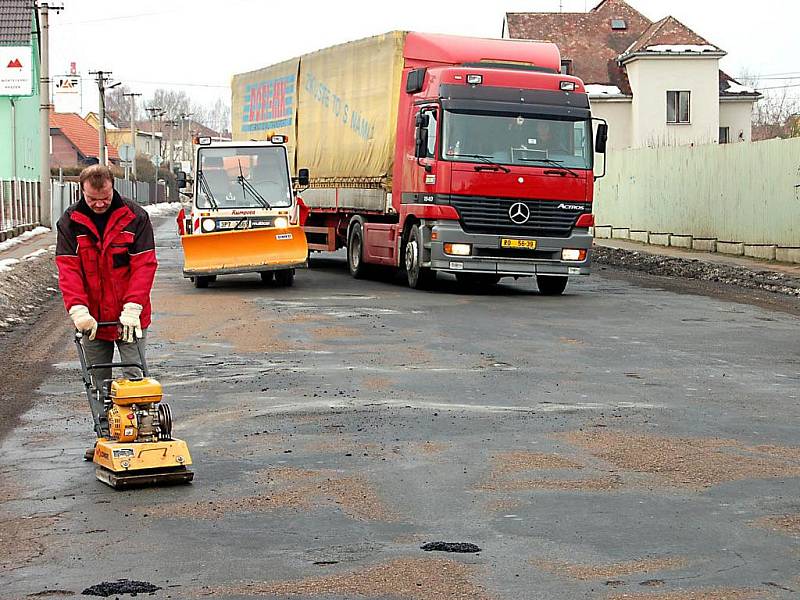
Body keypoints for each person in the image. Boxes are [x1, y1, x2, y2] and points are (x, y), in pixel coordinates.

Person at [55, 165, 158, 459]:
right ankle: (106, 436)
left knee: (135, 376)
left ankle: (143, 434)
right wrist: (78, 310)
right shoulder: (70, 223)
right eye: (92, 200)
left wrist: (133, 307)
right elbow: (68, 270)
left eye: (104, 198)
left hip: (129, 317)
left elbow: (144, 265)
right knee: (98, 379)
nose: (99, 204)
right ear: (82, 192)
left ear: (113, 187)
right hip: (93, 320)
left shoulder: (135, 217)